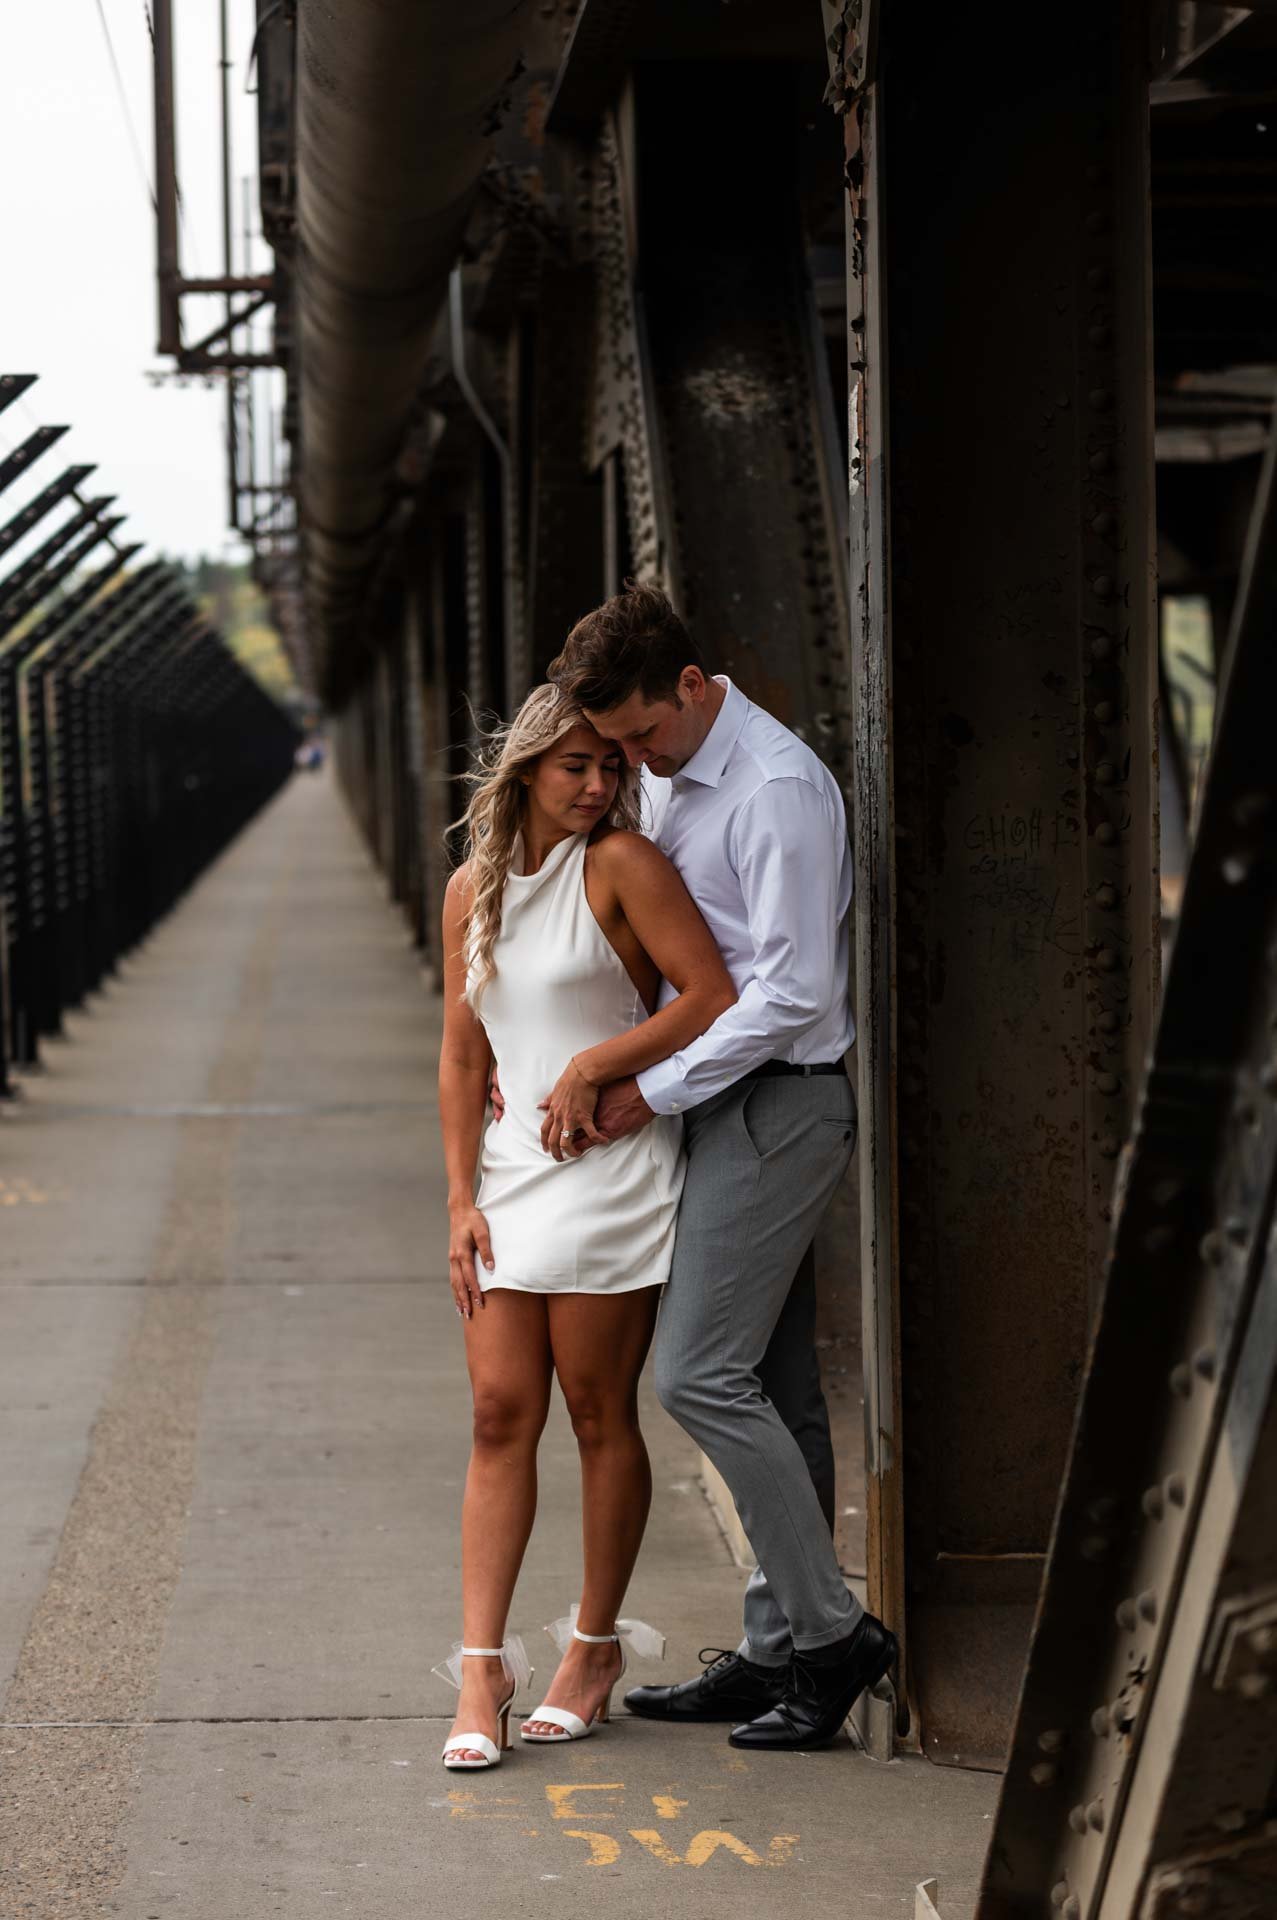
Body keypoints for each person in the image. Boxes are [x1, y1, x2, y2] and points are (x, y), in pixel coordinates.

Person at [544, 581, 897, 1752]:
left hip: (774, 1108)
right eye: (612, 747)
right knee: (777, 1389)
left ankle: (833, 1636)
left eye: (640, 735)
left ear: (691, 686)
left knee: (696, 1375)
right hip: (718, 1105)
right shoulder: (672, 771)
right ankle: (771, 1652)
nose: (627, 763)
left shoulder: (776, 790)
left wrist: (652, 1087)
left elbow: (793, 993)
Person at [436, 683, 736, 1770]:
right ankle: (481, 1666)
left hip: (608, 1165)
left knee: (596, 1408)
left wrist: (597, 1064)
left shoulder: (621, 866)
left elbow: (705, 993)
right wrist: (459, 1200)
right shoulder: (471, 886)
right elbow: (464, 1055)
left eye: (611, 765)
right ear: (523, 770)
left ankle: (593, 1647)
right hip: (511, 1175)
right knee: (496, 1410)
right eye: (576, 766)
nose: (601, 784)